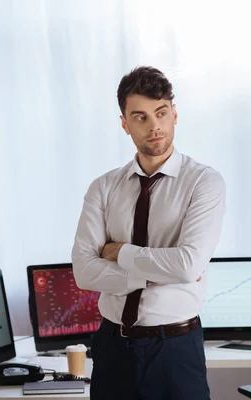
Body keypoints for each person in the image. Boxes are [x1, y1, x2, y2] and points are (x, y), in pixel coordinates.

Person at [71, 66, 226, 400]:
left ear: (174, 114)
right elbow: (84, 272)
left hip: (175, 349)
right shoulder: (104, 187)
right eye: (140, 117)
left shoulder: (203, 182)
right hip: (112, 347)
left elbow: (187, 265)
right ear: (125, 124)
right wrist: (162, 273)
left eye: (161, 113)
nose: (154, 126)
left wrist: (120, 253)